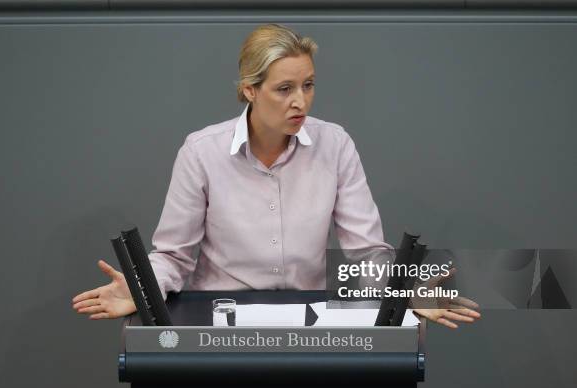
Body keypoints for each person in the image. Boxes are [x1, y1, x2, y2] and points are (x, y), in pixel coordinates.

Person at [72, 24, 480, 329]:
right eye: (284, 88)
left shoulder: (334, 144)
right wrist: (141, 289)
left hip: (311, 320)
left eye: (308, 85)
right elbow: (174, 257)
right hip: (219, 319)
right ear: (250, 89)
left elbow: (367, 253)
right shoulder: (201, 151)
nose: (300, 101)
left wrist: (408, 292)